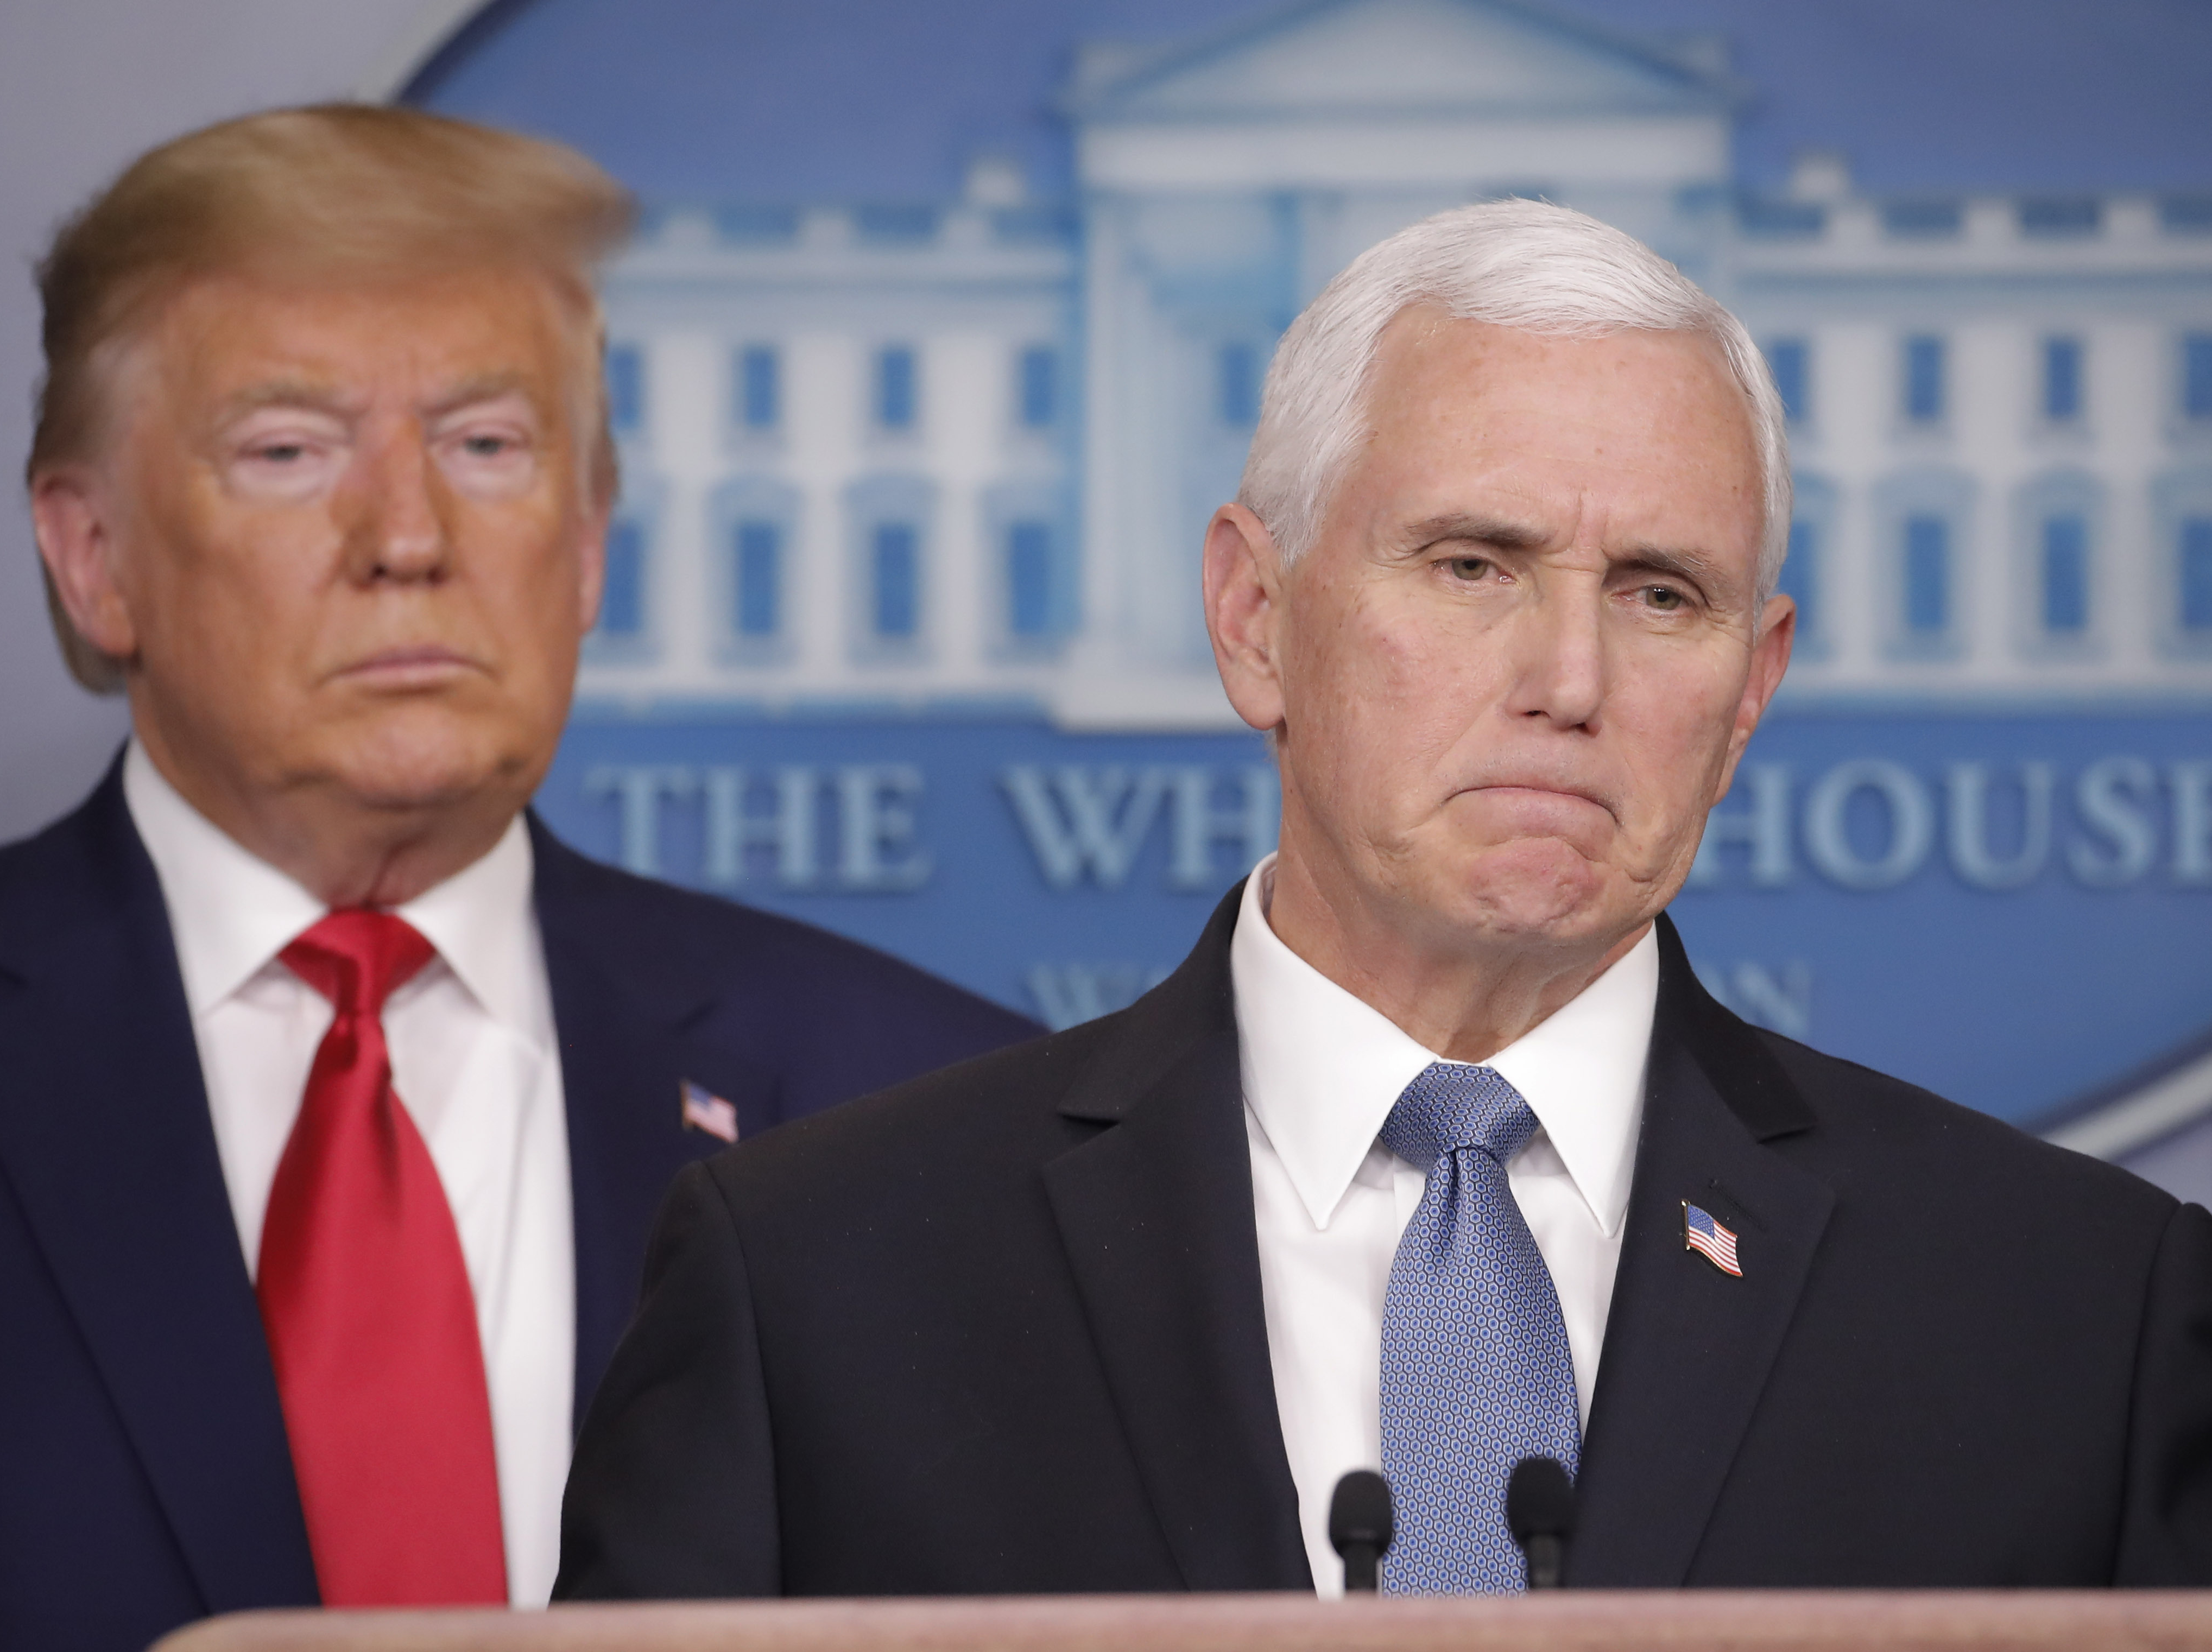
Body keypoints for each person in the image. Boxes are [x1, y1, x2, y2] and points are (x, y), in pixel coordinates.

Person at [557, 200, 2212, 1598]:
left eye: (1660, 592)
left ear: (1752, 686)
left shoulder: (2080, 1311)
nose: (1569, 678)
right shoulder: (822, 1281)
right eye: (1473, 563)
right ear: (1256, 616)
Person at [0, 105, 1037, 1652]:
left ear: (591, 540)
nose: (408, 534)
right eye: (289, 450)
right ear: (95, 558)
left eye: (487, 445)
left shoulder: (931, 1111)